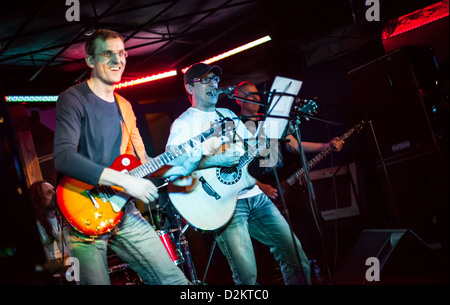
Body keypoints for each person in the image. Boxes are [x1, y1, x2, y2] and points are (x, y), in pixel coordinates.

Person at [53, 29, 198, 285]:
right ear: (90, 60)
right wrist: (127, 181)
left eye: (121, 54)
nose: (117, 61)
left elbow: (140, 161)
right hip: (82, 208)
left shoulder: (125, 106)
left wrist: (181, 165)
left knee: (174, 281)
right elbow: (64, 158)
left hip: (123, 208)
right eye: (108, 54)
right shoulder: (72, 99)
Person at [166, 63, 313, 285]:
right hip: (225, 205)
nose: (213, 84)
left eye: (215, 79)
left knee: (297, 257)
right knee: (247, 277)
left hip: (254, 195)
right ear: (189, 88)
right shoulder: (184, 123)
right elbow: (174, 165)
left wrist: (280, 128)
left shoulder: (227, 114)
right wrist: (216, 159)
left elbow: (253, 146)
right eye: (205, 80)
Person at [234, 81, 344, 200]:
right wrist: (260, 187)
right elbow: (233, 167)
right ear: (239, 100)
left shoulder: (270, 120)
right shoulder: (235, 126)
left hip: (286, 184)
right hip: (257, 193)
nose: (256, 98)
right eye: (251, 95)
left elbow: (295, 146)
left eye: (257, 94)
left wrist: (325, 146)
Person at [29, 180, 69, 267]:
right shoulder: (38, 225)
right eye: (49, 192)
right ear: (39, 199)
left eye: (54, 190)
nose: (55, 193)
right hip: (60, 273)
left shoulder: (64, 215)